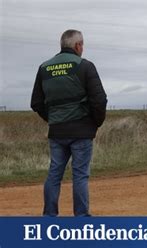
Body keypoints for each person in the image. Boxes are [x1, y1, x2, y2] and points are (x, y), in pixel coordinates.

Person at [31, 29, 107, 217]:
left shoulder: (44, 68)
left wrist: (53, 118)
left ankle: (49, 216)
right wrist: (95, 123)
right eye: (82, 45)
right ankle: (81, 218)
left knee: (54, 173)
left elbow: (36, 103)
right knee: (80, 175)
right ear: (78, 46)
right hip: (81, 131)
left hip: (57, 131)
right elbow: (99, 100)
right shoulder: (85, 66)